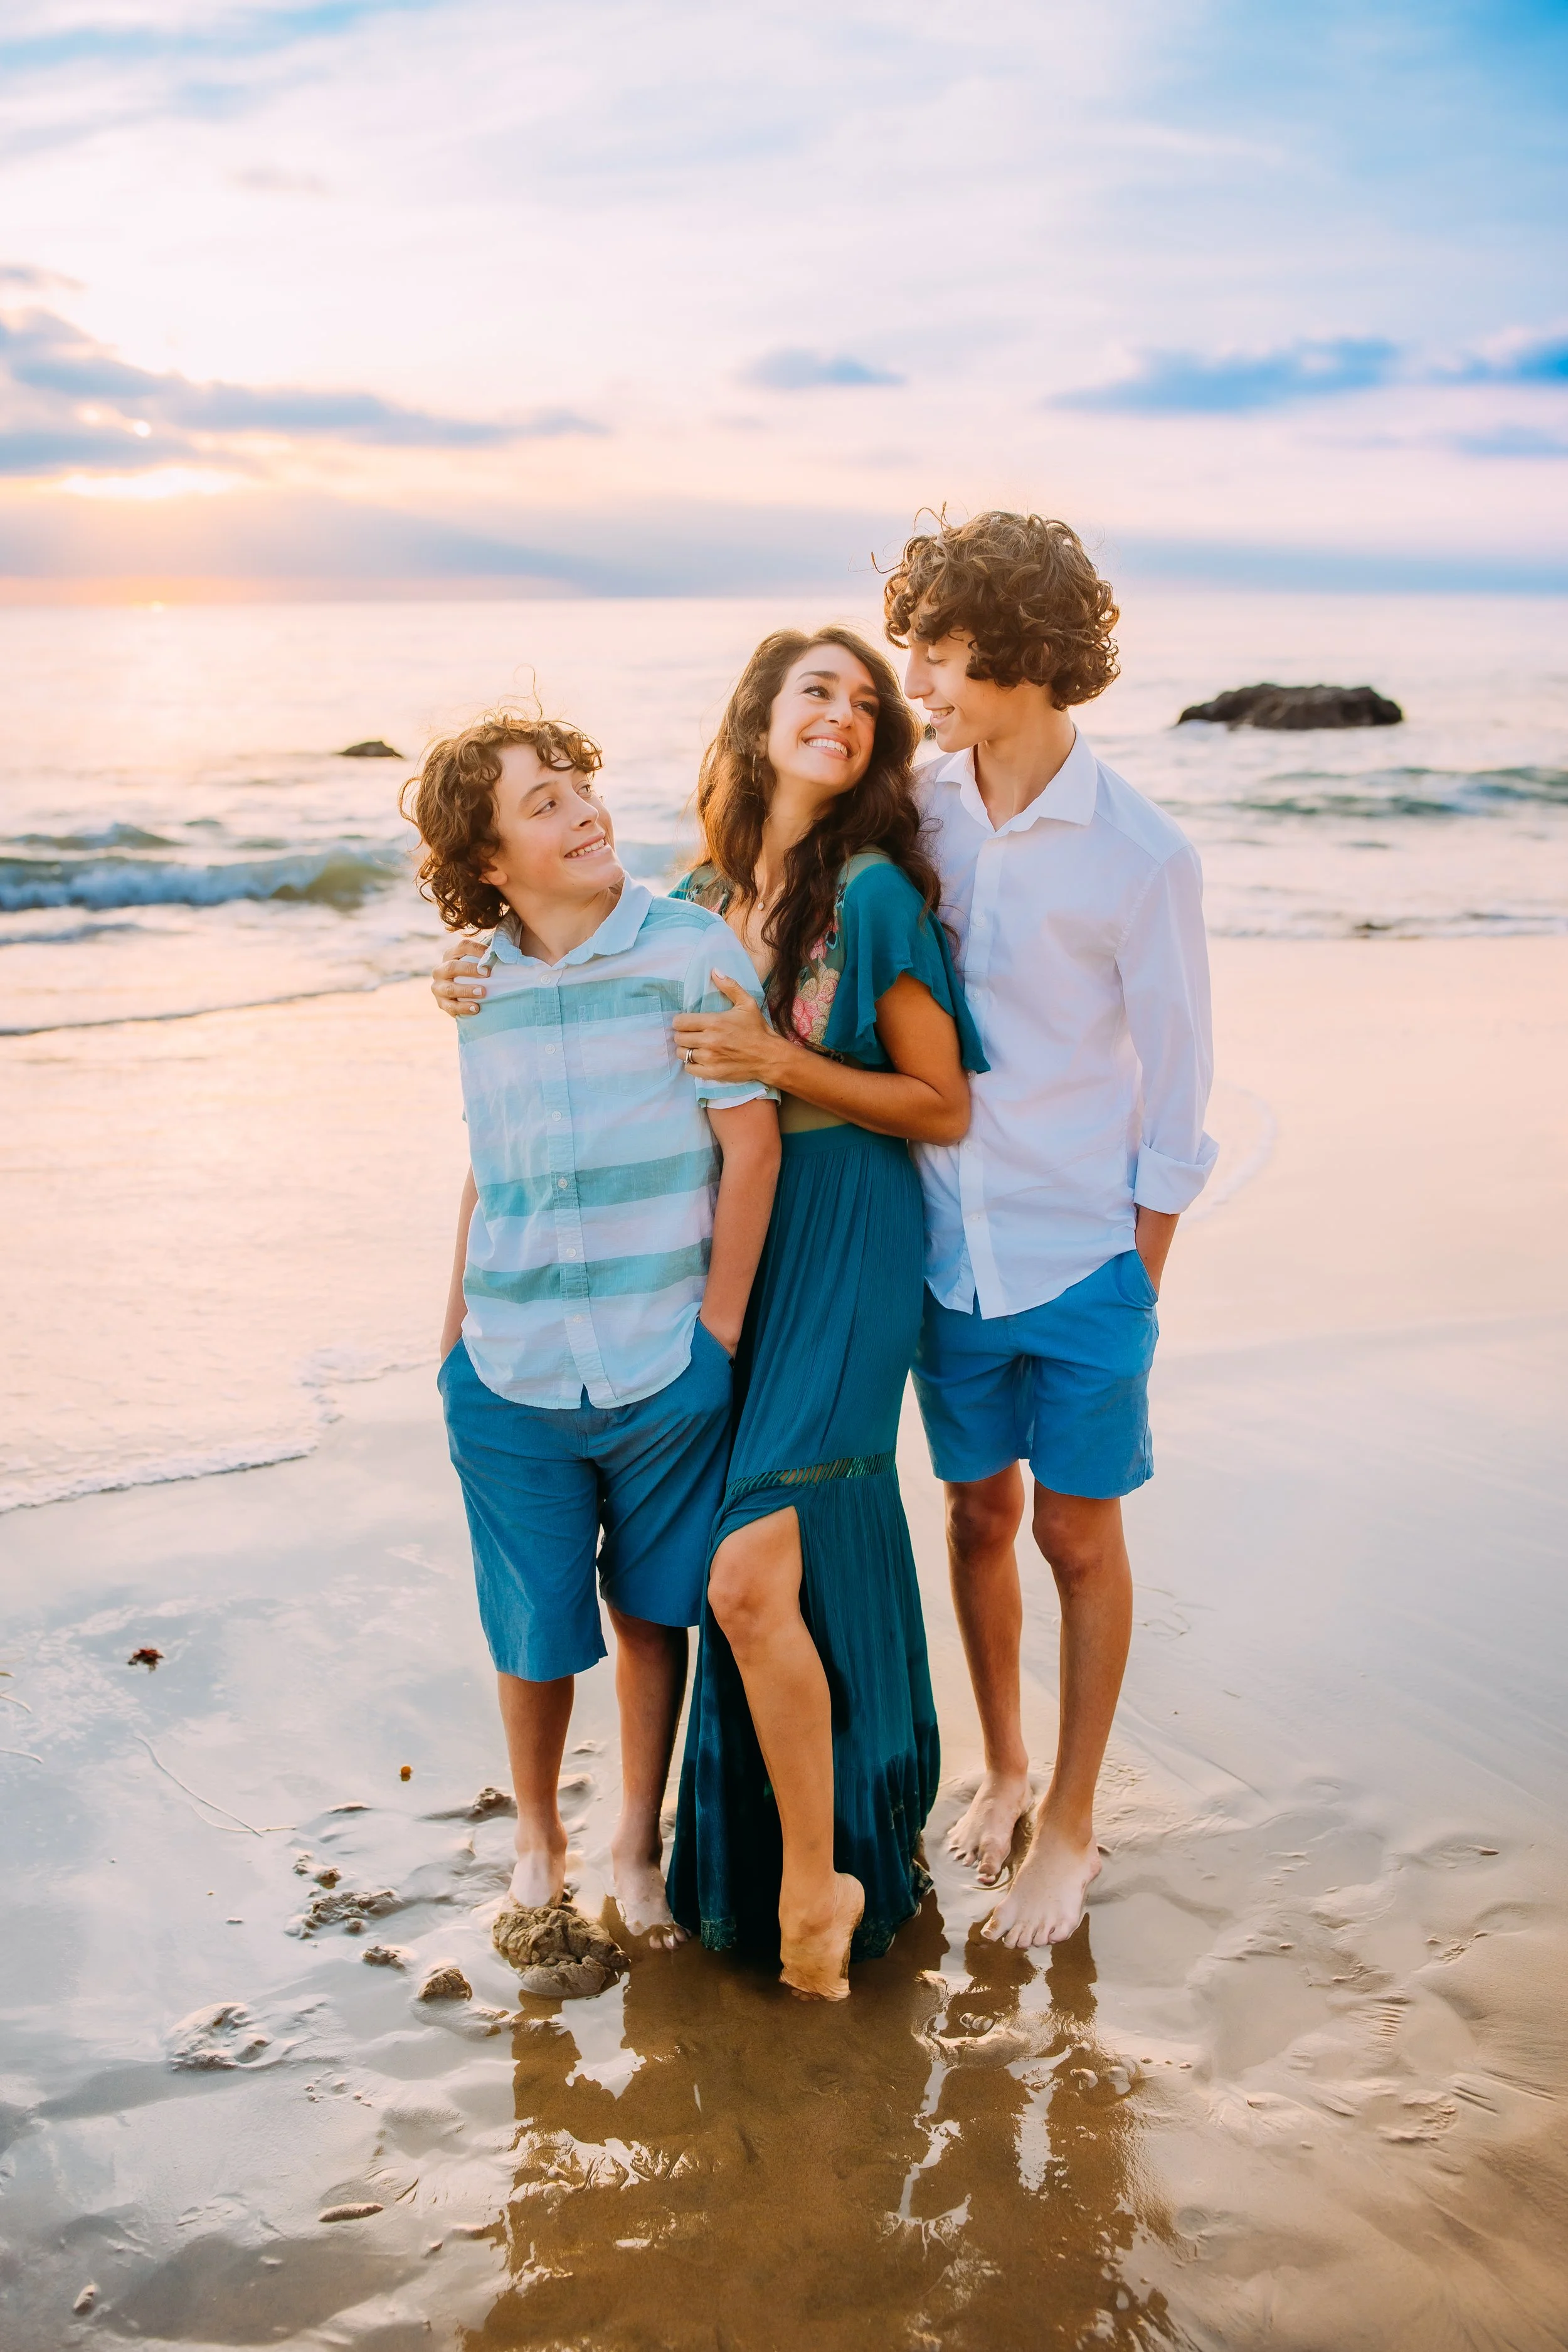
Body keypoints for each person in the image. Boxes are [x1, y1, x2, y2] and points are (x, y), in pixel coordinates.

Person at [883, 509, 1217, 1948]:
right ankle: (1004, 1762)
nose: (919, 679)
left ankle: (1071, 1824)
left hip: (1082, 1252)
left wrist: (1136, 1282)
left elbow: (1179, 1089)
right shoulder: (914, 810)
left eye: (945, 653)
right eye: (913, 646)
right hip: (943, 1250)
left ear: (1026, 660)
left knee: (1079, 1538)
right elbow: (754, 882)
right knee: (974, 1514)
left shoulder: (1140, 855)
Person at [405, 709, 780, 1951]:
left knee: (648, 1613)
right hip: (507, 1369)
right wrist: (450, 1339)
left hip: (658, 1357)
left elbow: (748, 1143)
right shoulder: (479, 986)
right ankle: (536, 1834)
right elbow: (484, 1165)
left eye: (580, 788)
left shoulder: (687, 949)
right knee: (532, 1624)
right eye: (543, 805)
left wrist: (712, 1340)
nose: (583, 813)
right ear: (490, 863)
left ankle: (631, 1835)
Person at [663, 626, 987, 2000]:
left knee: (749, 1570)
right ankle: (772, 1861)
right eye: (817, 693)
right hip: (730, 1248)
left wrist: (781, 1059)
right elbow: (567, 976)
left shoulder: (869, 897)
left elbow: (940, 1104)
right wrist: (468, 978)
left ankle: (820, 1882)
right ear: (756, 716)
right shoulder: (688, 899)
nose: (845, 718)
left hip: (849, 1234)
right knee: (745, 1571)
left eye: (866, 706)